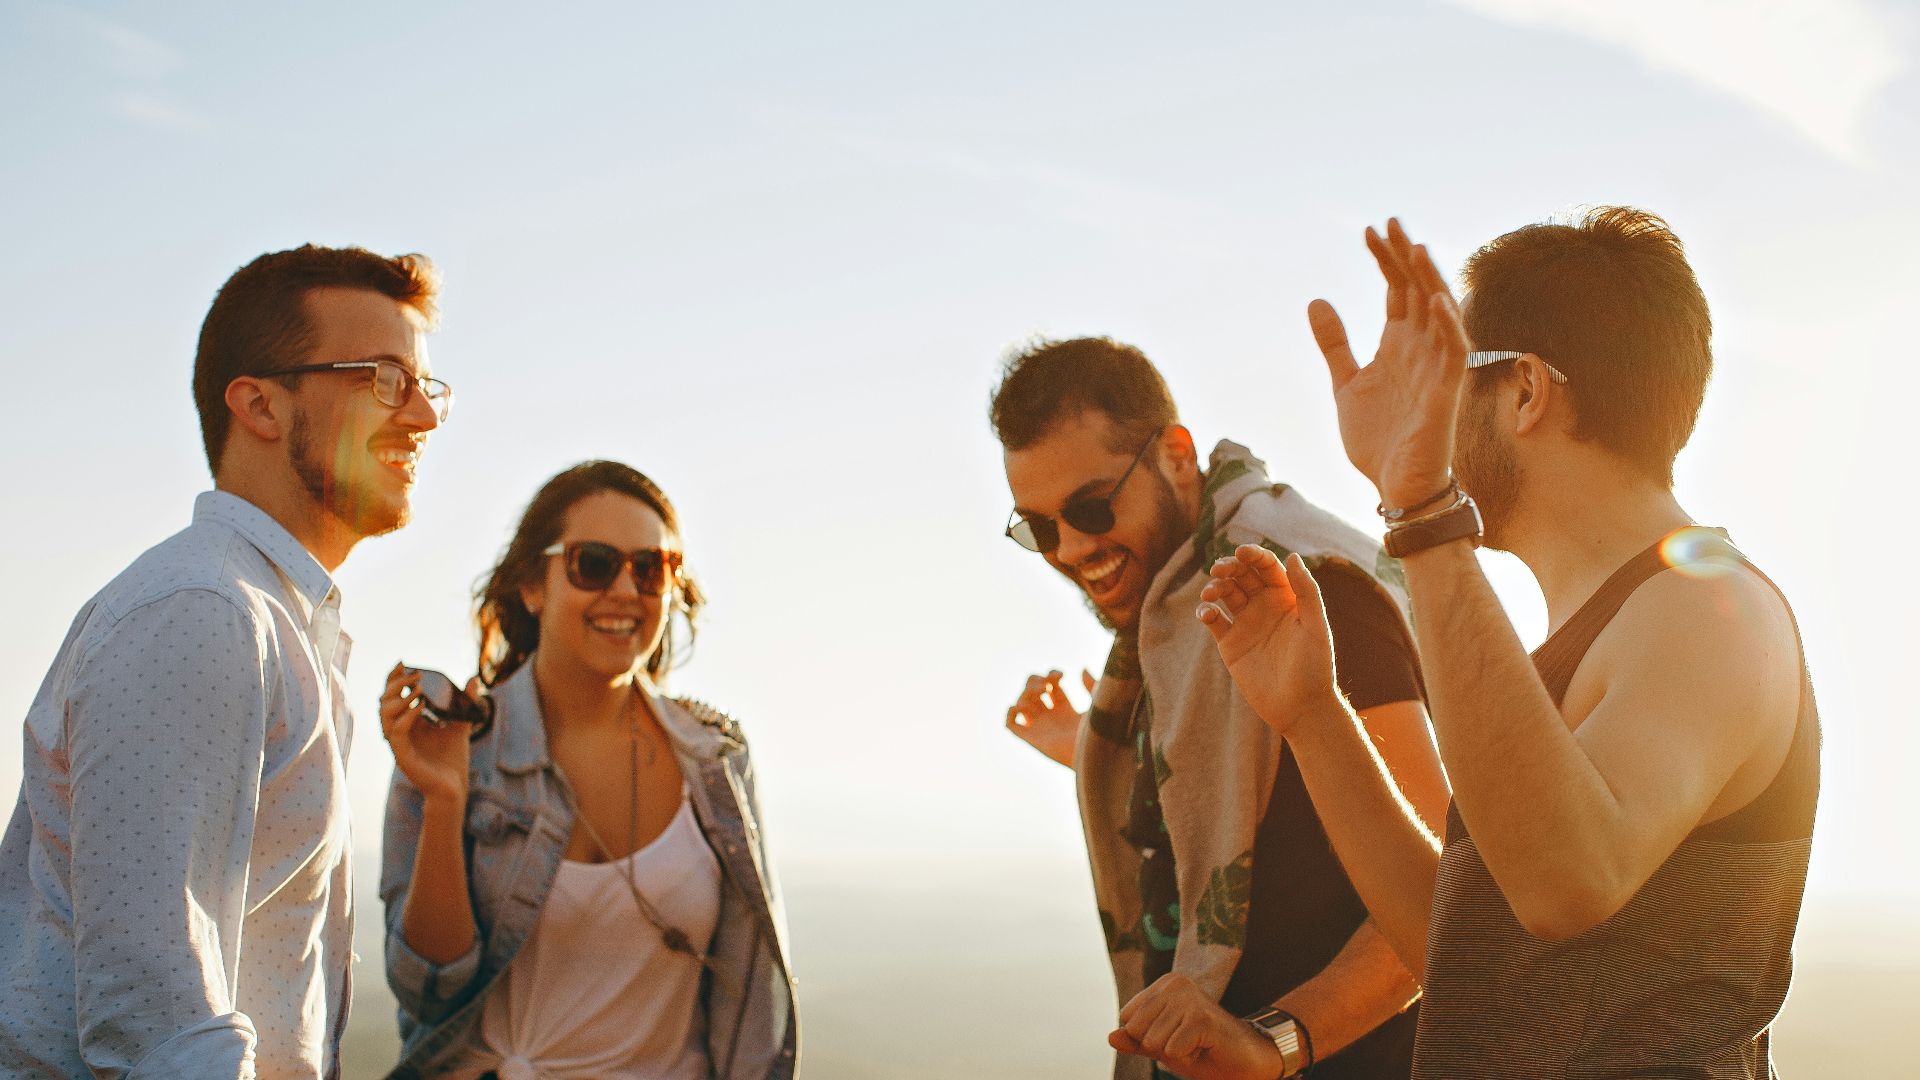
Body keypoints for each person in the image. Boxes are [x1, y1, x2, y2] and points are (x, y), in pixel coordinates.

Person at [1123, 211, 1818, 1079]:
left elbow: (1568, 881)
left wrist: (1419, 509)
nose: (1429, 414)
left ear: (1526, 390)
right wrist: (1311, 715)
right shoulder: (1584, 637)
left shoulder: (1712, 607)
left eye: (1449, 378)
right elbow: (1464, 952)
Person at [0, 245, 447, 1078]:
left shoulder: (271, 620)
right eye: (386, 378)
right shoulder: (202, 610)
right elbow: (160, 1019)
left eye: (426, 387)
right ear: (260, 406)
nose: (421, 416)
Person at [992, 338, 1449, 1080]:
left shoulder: (1303, 592)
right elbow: (1237, 782)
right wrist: (1093, 748)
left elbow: (1440, 894)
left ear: (1175, 455)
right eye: (1038, 528)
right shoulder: (1179, 611)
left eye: (1091, 506)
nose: (1072, 548)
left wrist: (1278, 1041)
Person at [379, 460, 797, 1080]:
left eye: (652, 569)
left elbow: (751, 1006)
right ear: (532, 585)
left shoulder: (716, 760)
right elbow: (428, 991)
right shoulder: (457, 746)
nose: (626, 591)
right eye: (594, 563)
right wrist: (444, 801)